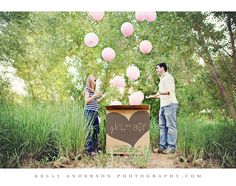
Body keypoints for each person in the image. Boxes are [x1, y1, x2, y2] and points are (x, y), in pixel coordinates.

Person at [146, 63, 178, 154]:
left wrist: (159, 93)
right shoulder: (162, 79)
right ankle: (162, 147)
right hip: (163, 105)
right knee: (162, 127)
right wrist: (154, 96)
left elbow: (169, 91)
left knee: (171, 126)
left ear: (162, 68)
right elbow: (162, 94)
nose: (156, 70)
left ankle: (171, 148)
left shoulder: (168, 77)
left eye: (157, 68)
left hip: (170, 104)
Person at [83, 75, 105, 156]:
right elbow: (86, 101)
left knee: (96, 130)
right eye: (92, 77)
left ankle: (95, 149)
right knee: (88, 130)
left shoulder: (94, 91)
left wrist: (100, 98)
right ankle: (89, 150)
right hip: (88, 112)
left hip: (95, 112)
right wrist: (95, 95)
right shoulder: (87, 89)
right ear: (89, 80)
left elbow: (95, 101)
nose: (94, 77)